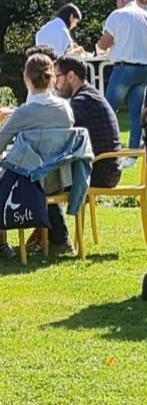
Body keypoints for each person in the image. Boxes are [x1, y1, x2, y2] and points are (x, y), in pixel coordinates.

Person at [0, 54, 76, 255]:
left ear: (26, 79)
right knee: (43, 172)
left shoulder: (24, 113)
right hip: (60, 178)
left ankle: (1, 245)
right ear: (52, 78)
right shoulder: (65, 109)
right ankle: (59, 239)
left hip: (29, 180)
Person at [52, 55, 123, 250]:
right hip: (108, 167)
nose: (54, 85)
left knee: (44, 180)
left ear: (71, 76)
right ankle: (47, 238)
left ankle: (59, 240)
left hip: (99, 170)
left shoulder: (81, 102)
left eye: (57, 78)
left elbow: (59, 132)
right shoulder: (90, 95)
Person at [98, 0, 147, 149]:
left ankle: (109, 145)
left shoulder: (117, 15)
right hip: (145, 69)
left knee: (109, 109)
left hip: (124, 68)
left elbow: (105, 43)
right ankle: (134, 149)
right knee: (136, 112)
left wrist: (99, 47)